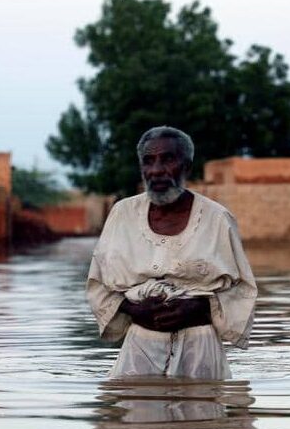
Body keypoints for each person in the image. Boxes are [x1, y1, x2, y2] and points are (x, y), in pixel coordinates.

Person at [87, 126, 257, 379]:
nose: (156, 170)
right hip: (140, 346)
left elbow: (244, 290)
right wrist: (134, 310)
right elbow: (97, 284)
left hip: (200, 348)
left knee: (205, 404)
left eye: (167, 159)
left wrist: (202, 307)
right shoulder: (122, 214)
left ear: (187, 166)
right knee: (133, 402)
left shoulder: (218, 218)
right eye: (148, 161)